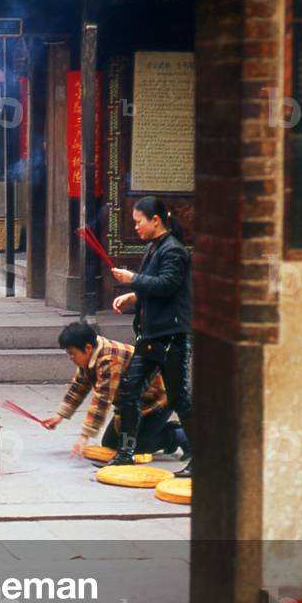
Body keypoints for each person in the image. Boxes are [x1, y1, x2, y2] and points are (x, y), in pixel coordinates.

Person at [107, 195, 193, 477]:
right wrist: (133, 296)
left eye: (138, 222)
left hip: (172, 336)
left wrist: (132, 279)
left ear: (155, 220)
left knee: (179, 398)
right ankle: (125, 453)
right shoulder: (153, 248)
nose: (136, 227)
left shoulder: (174, 250)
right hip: (152, 335)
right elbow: (153, 288)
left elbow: (168, 285)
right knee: (129, 390)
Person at [43, 321, 189, 460]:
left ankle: (177, 435)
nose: (71, 358)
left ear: (87, 348)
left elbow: (102, 398)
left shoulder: (109, 359)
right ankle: (154, 432)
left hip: (157, 401)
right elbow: (79, 386)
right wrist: (60, 416)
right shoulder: (91, 354)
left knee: (134, 446)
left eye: (72, 353)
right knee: (111, 444)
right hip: (130, 406)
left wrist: (84, 436)